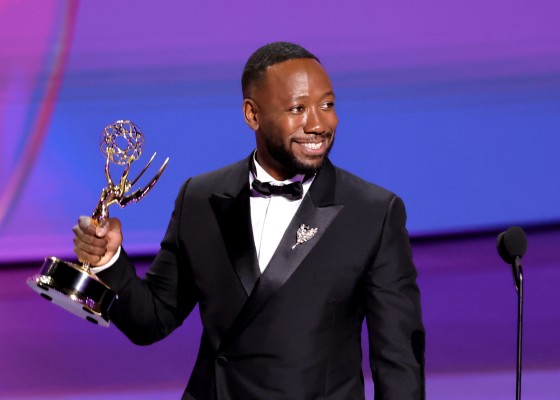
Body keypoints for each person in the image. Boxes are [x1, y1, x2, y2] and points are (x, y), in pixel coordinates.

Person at [73, 41, 425, 400]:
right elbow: (151, 321)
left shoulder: (372, 212)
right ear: (252, 115)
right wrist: (110, 262)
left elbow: (399, 363)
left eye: (327, 105)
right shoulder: (201, 197)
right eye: (298, 108)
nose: (319, 123)